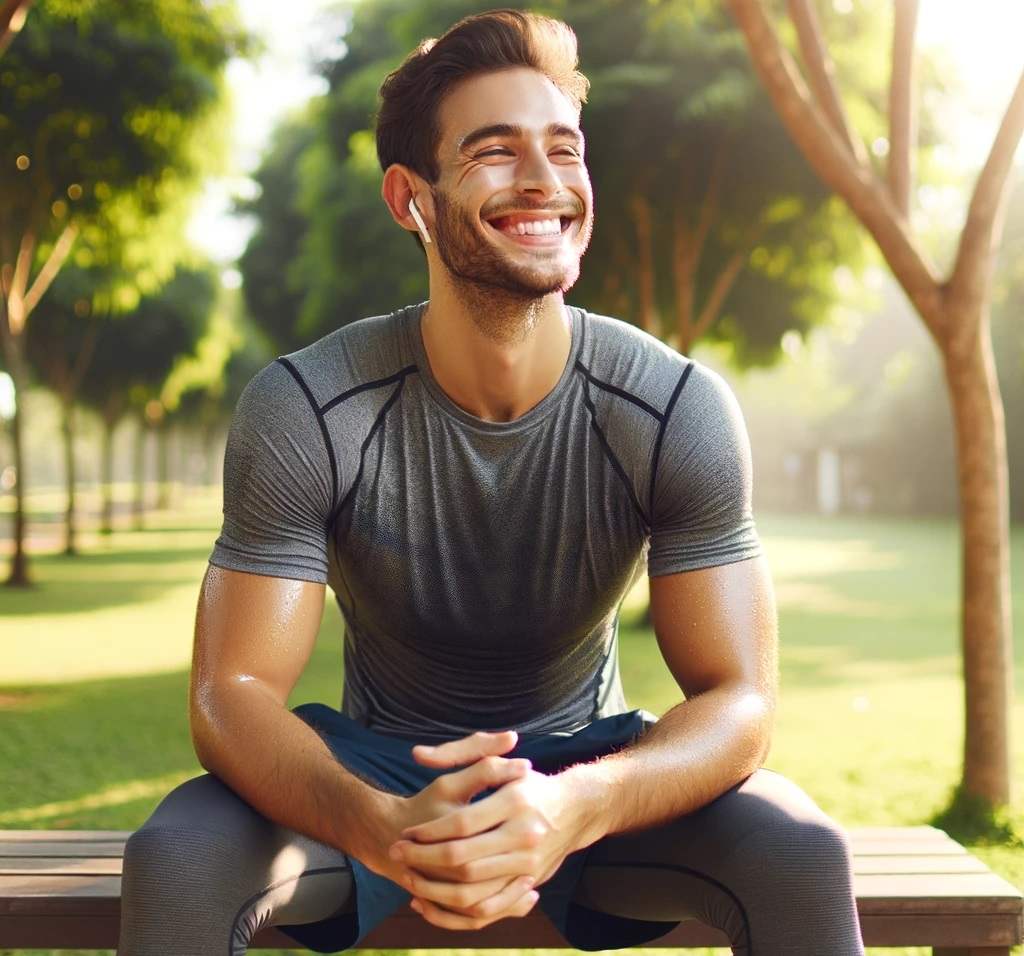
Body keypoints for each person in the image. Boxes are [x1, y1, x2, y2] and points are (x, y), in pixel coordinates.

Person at [117, 8, 866, 955]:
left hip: (592, 774)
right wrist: (376, 826)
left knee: (797, 850)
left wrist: (579, 803)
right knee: (178, 854)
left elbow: (741, 702)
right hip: (373, 775)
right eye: (495, 152)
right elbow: (231, 693)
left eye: (565, 148)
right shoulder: (309, 408)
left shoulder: (675, 409)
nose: (546, 182)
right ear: (410, 199)